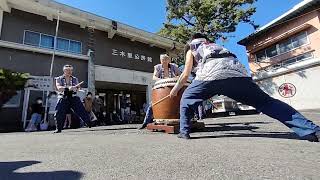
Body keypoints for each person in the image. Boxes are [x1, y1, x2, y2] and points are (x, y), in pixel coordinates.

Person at [169, 33, 320, 141]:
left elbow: (185, 74)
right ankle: (311, 130)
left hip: (210, 74)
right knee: (266, 102)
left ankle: (184, 132)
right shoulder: (214, 45)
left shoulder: (192, 47)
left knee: (187, 98)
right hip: (238, 72)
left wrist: (175, 90)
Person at [138, 54, 181, 129]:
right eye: (162, 60)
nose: (163, 61)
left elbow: (180, 76)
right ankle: (145, 122)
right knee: (152, 105)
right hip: (161, 89)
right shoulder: (158, 67)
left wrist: (174, 78)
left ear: (168, 60)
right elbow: (154, 77)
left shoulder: (174, 66)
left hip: (173, 88)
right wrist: (164, 80)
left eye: (165, 59)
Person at [54, 64, 91, 133]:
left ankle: (89, 123)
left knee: (81, 110)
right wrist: (68, 88)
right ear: (64, 71)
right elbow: (59, 88)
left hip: (73, 97)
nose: (69, 71)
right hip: (63, 97)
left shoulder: (75, 79)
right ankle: (58, 128)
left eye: (71, 70)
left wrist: (75, 88)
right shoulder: (59, 78)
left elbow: (78, 88)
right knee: (59, 112)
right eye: (67, 70)